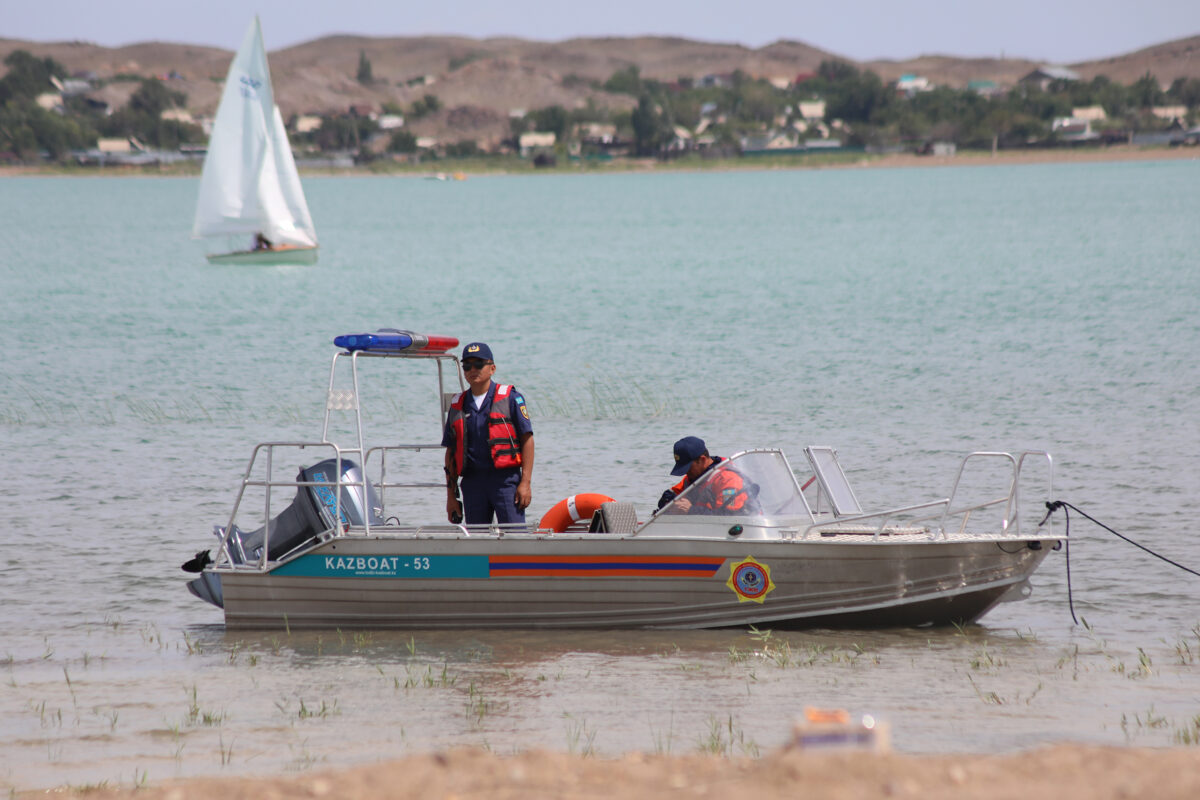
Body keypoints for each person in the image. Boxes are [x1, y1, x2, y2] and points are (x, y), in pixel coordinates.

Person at [442, 342, 534, 525]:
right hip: (472, 483)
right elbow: (451, 453)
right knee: (478, 541)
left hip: (505, 482)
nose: (472, 369)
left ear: (492, 368)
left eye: (478, 364)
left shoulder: (510, 398)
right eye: (467, 365)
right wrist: (451, 497)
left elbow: (527, 440)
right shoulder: (457, 404)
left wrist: (525, 483)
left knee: (514, 538)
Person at [657, 436, 754, 515]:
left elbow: (729, 515)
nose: (686, 473)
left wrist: (691, 510)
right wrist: (669, 503)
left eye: (688, 468)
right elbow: (669, 495)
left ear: (702, 460)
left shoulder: (728, 479)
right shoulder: (693, 477)